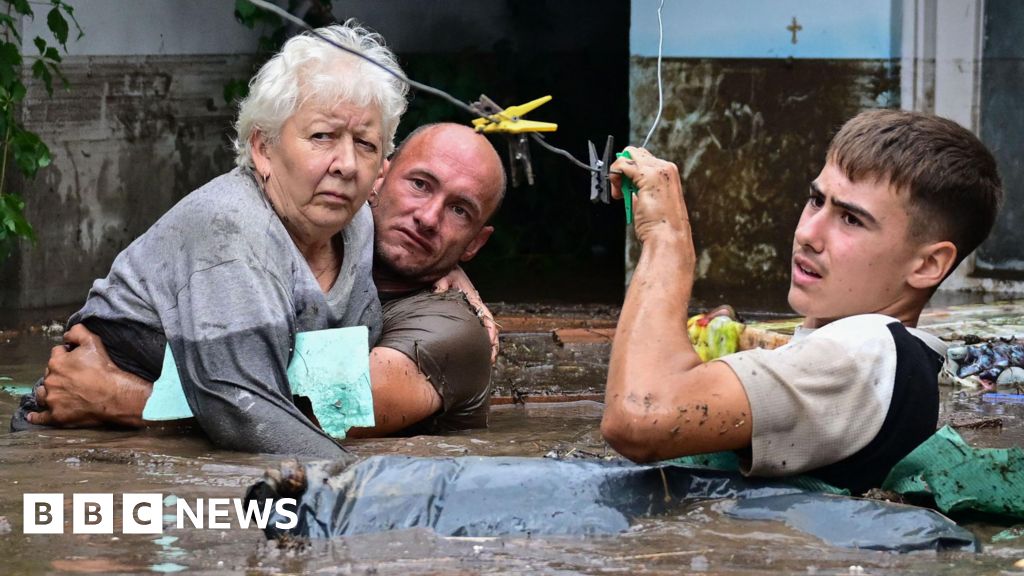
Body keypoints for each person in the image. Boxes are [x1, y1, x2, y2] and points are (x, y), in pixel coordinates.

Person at [12, 22, 409, 457]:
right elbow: (245, 412)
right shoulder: (232, 227)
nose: (347, 164)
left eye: (366, 144)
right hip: (82, 442)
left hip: (168, 427)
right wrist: (373, 490)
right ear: (263, 149)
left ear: (381, 171)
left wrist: (453, 275)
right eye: (322, 137)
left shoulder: (358, 225)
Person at [601, 110, 1003, 494]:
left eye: (851, 219)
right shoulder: (893, 360)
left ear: (929, 264)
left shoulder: (864, 349)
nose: (808, 233)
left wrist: (666, 237)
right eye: (816, 200)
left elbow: (641, 415)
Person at [23, 123, 506, 438]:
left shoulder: (453, 331)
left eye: (459, 211)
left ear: (475, 244)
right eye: (419, 184)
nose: (427, 216)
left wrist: (122, 399)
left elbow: (316, 416)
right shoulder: (291, 239)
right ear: (377, 178)